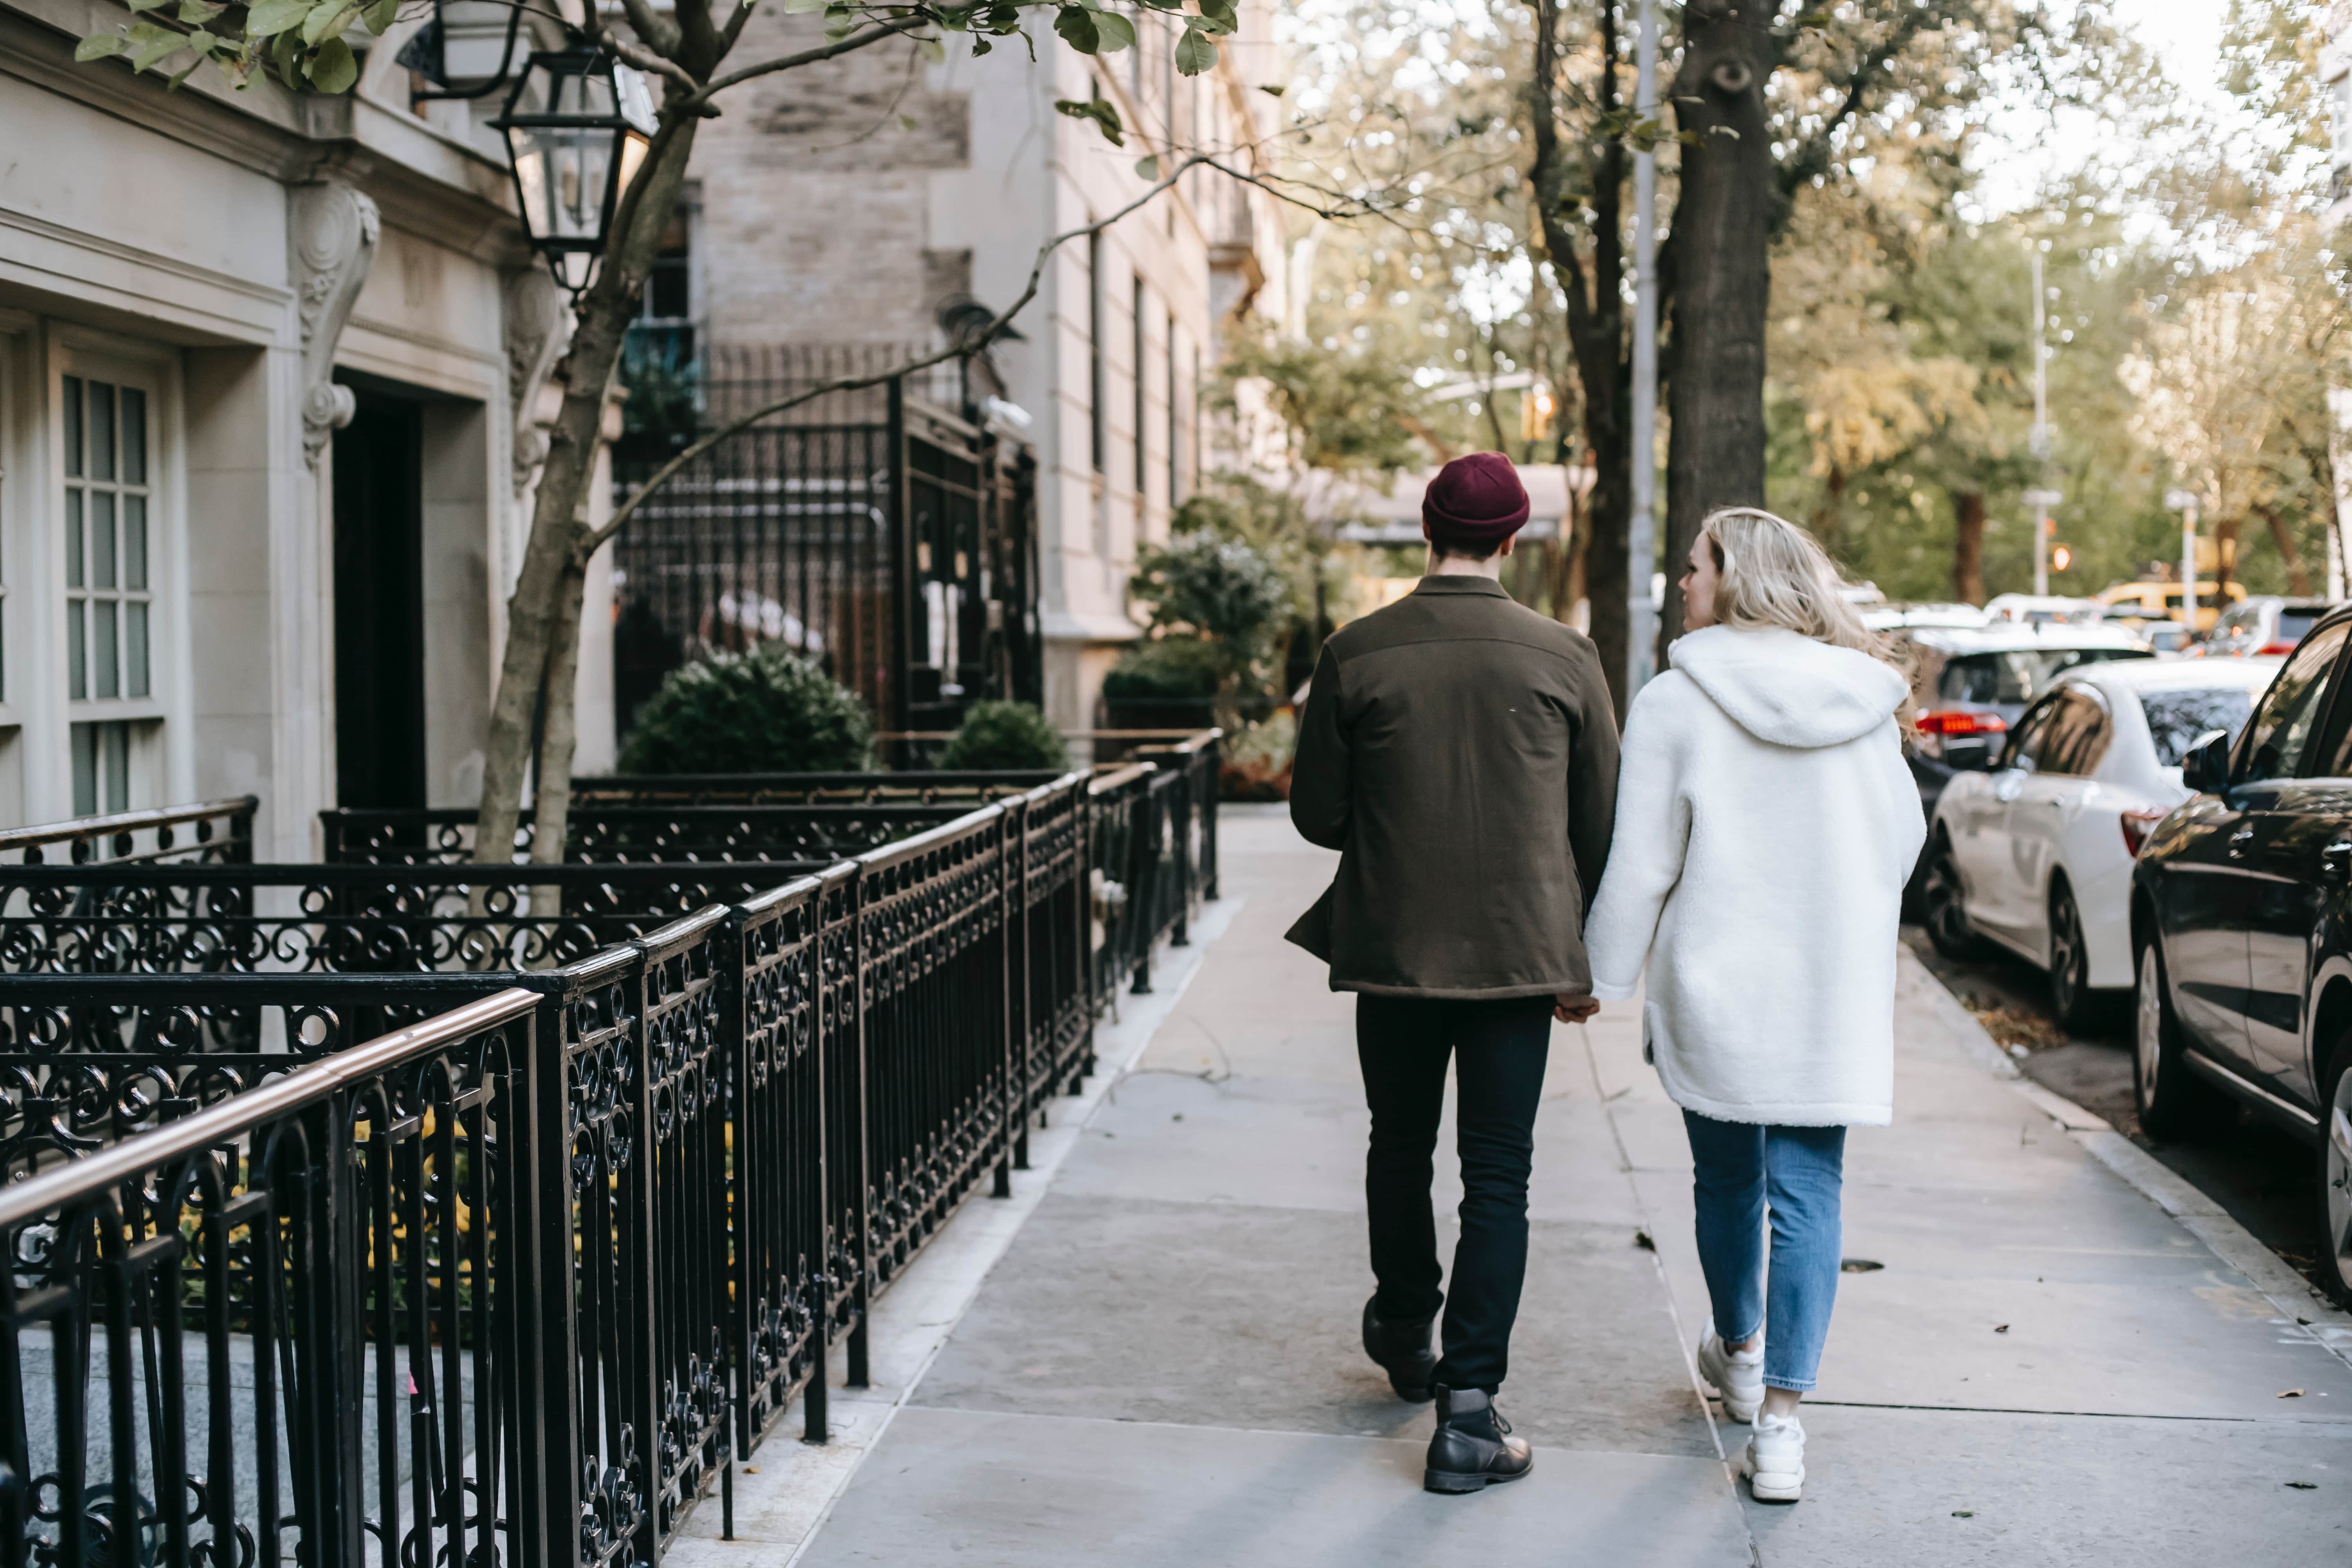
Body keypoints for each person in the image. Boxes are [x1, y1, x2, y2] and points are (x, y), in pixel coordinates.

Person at [1287, 452, 1620, 1495]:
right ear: (1516, 539)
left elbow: (1317, 816)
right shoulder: (1567, 655)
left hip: (1393, 947)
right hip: (1520, 958)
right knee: (1500, 1175)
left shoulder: (1357, 651)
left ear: (1429, 533)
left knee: (1399, 1143)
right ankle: (1468, 1413)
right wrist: (1577, 952)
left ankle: (1402, 1322)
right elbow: (1600, 825)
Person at [1584, 506, 1924, 1504]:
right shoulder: (1863, 699)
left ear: (1733, 578)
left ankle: (1738, 1347)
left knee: (1728, 1177)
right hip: (1830, 982)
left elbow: (1643, 861)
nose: (1681, 583)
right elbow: (1901, 843)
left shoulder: (1676, 699)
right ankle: (1782, 1425)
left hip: (1716, 982)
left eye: (1692, 567)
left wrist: (1600, 978)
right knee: (1810, 1193)